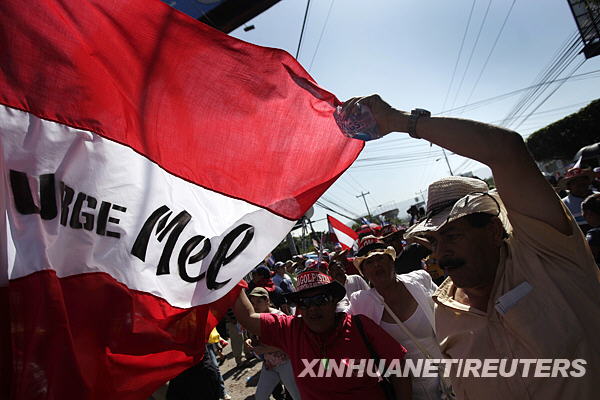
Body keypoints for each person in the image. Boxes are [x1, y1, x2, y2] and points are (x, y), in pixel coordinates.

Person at [340, 95, 600, 399]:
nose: (440, 254)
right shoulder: (446, 308)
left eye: (452, 235)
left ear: (493, 229)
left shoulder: (548, 254)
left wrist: (401, 122)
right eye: (434, 241)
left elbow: (507, 150)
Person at [233, 269, 412, 400]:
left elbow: (400, 368)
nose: (313, 308)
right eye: (305, 302)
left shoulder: (360, 326)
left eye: (321, 300)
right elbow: (247, 317)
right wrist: (228, 273)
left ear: (334, 301)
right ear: (300, 308)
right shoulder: (291, 329)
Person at [349, 236, 442, 400]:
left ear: (392, 261)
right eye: (369, 262)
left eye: (380, 258)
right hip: (406, 391)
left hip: (448, 378)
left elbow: (449, 312)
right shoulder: (360, 303)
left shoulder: (421, 280)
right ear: (363, 272)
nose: (376, 264)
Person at [244, 287, 301, 400]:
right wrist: (250, 341)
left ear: (267, 301)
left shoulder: (279, 317)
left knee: (297, 396)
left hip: (286, 363)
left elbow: (290, 343)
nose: (255, 305)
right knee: (260, 396)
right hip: (269, 364)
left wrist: (266, 350)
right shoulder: (255, 318)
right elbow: (255, 339)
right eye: (252, 302)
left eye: (259, 301)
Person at [559, 166, 596, 232]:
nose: (581, 184)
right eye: (575, 182)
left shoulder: (598, 196)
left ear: (588, 181)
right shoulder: (563, 205)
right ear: (568, 187)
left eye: (583, 180)